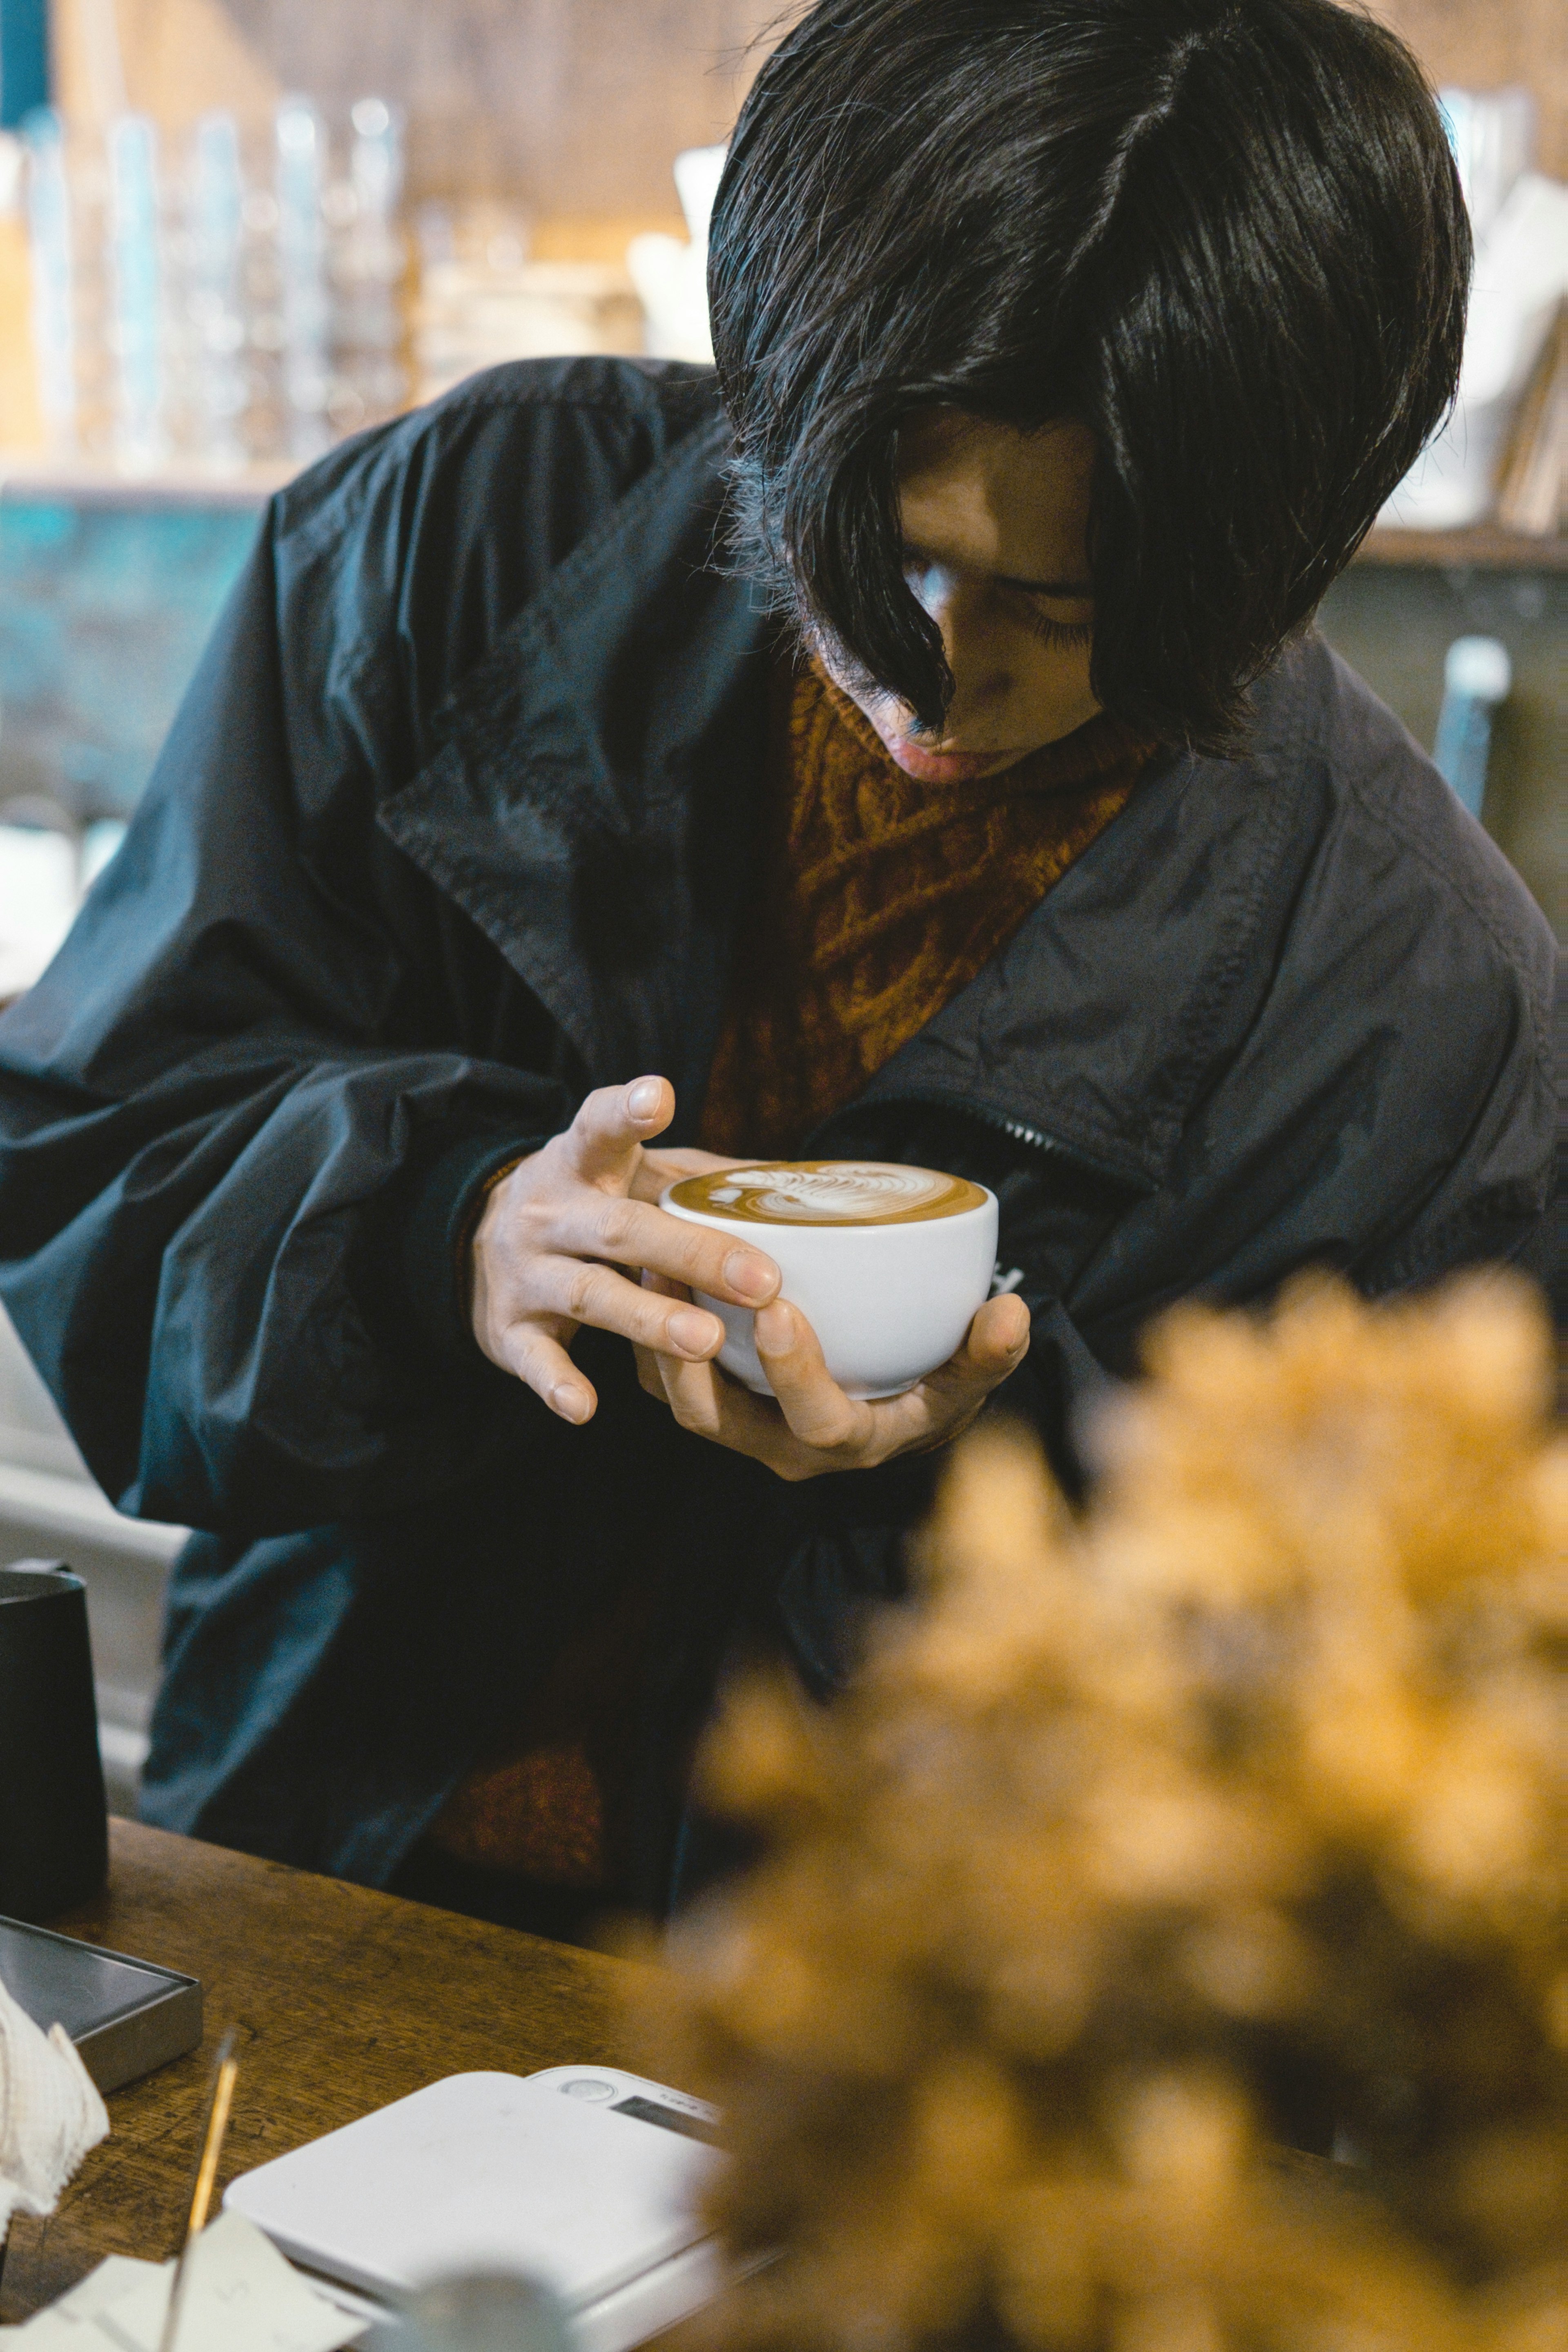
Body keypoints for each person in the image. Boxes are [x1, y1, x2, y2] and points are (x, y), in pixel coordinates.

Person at [0, 0, 1551, 1938]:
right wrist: (447, 1227)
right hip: (325, 1886)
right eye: (876, 544)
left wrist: (969, 1494)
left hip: (904, 2064)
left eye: (1064, 608)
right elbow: (95, 1144)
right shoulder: (471, 542)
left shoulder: (1420, 1005)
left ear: (1271, 558)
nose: (935, 666)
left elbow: (1412, 1754)